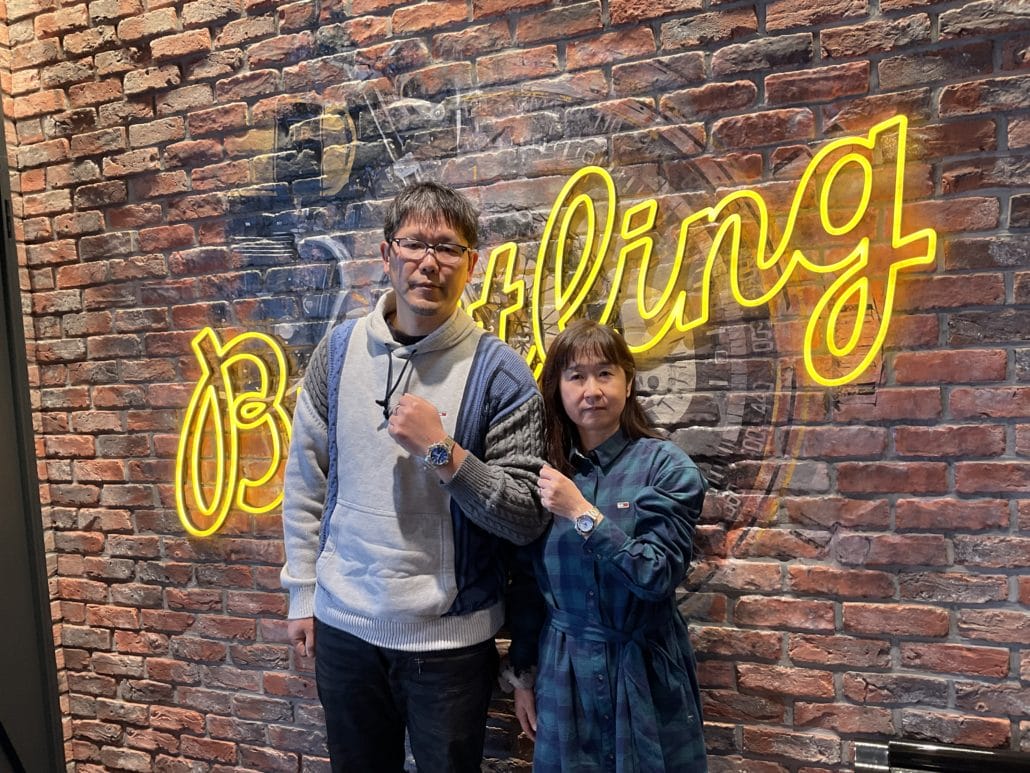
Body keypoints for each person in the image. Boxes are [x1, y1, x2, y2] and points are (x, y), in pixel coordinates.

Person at [280, 181, 549, 773]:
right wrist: (303, 591)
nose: (430, 262)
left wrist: (443, 452)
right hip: (344, 627)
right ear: (387, 254)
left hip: (448, 643)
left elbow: (526, 516)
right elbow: (305, 480)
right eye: (415, 244)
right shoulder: (338, 352)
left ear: (471, 264)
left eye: (448, 248)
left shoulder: (500, 373)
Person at [506, 319, 708, 772]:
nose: (591, 390)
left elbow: (656, 574)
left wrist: (582, 513)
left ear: (628, 382)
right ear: (558, 388)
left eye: (604, 374)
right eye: (576, 376)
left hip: (644, 668)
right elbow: (528, 587)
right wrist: (522, 676)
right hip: (564, 668)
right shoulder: (545, 475)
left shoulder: (666, 466)